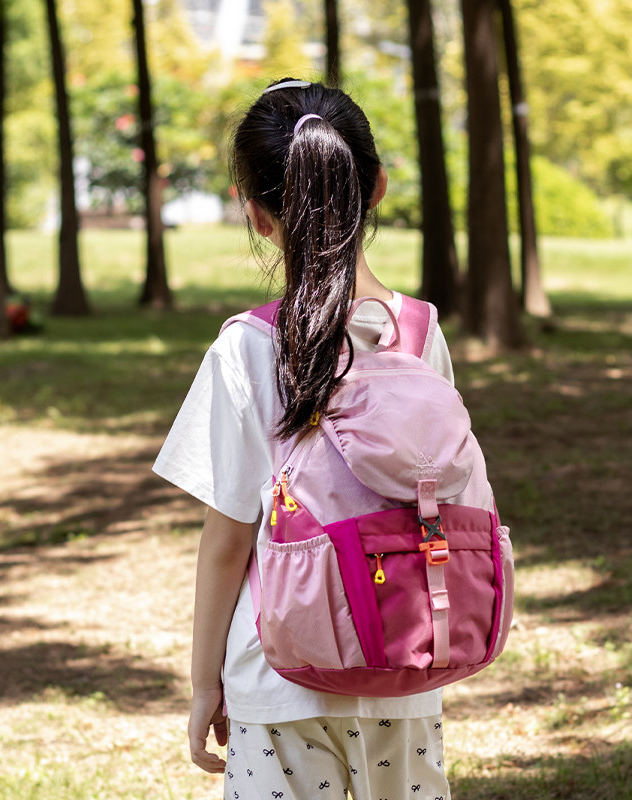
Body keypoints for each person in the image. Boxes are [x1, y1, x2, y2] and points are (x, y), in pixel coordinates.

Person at [153, 78, 455, 800]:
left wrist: (205, 684)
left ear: (255, 215)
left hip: (277, 672)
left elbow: (228, 539)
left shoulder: (247, 348)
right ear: (376, 187)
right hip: (403, 658)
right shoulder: (419, 334)